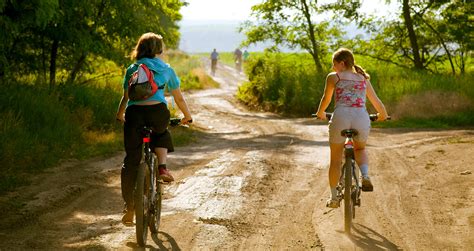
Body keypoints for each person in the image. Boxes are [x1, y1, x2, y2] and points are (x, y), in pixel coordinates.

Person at [116, 32, 193, 224]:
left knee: (130, 161)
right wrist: (187, 116)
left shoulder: (132, 68)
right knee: (161, 132)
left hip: (134, 115)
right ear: (159, 49)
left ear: (140, 48)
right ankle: (162, 168)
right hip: (158, 112)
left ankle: (130, 206)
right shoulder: (166, 69)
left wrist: (120, 114)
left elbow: (126, 97)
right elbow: (179, 98)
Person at [315, 48, 388, 208]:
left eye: (334, 65)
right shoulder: (363, 79)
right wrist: (382, 115)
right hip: (361, 118)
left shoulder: (334, 77)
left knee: (335, 160)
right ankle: (366, 175)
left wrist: (320, 113)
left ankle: (334, 197)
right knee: (360, 150)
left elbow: (326, 99)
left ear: (342, 63)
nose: (333, 68)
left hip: (340, 117)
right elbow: (376, 101)